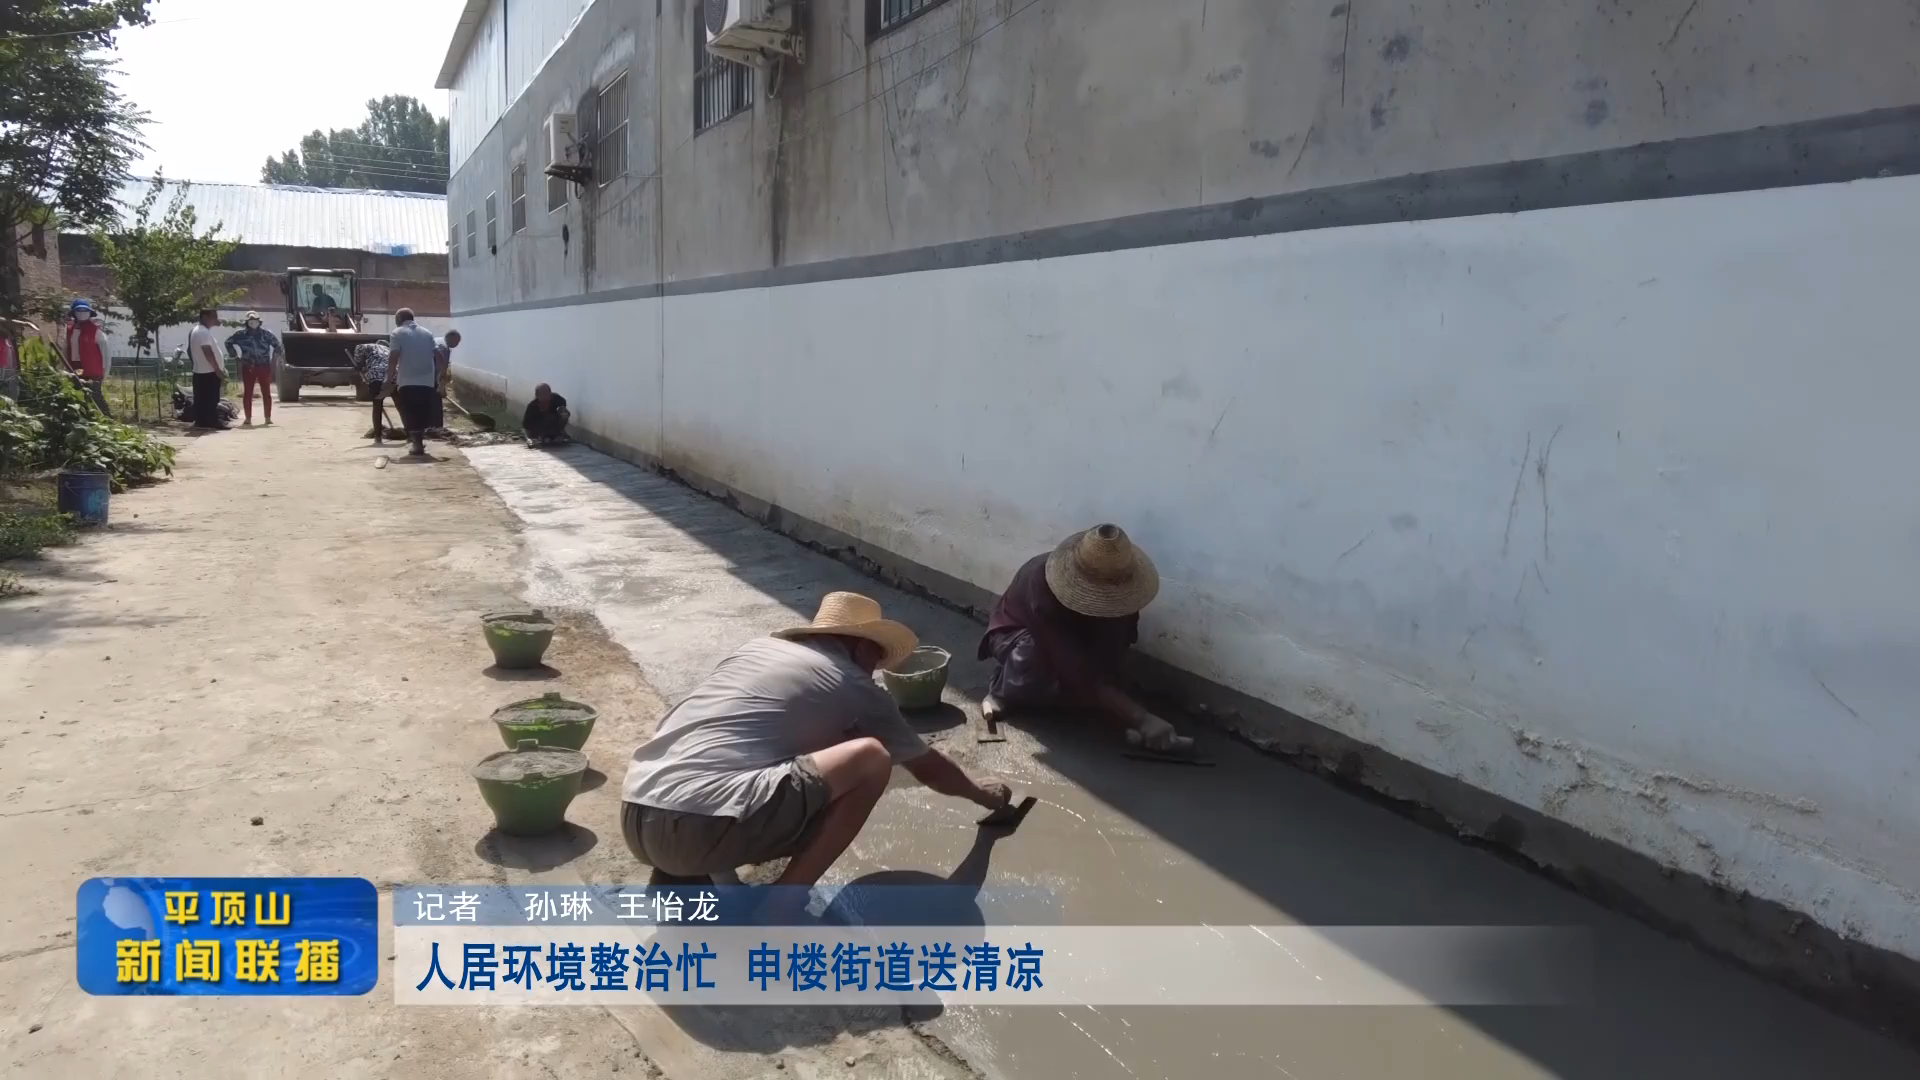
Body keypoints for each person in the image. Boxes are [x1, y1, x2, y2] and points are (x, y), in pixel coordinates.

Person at [622, 592, 1011, 892]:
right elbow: (930, 769)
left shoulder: (756, 651)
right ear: (862, 647)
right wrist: (986, 795)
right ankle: (784, 903)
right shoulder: (854, 683)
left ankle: (713, 882)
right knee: (871, 759)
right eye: (876, 661)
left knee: (753, 757)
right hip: (696, 829)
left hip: (637, 814)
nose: (875, 672)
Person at [978, 524, 1193, 754]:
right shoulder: (1040, 580)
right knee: (1036, 659)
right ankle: (1003, 687)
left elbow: (1119, 646)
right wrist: (1140, 717)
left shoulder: (1126, 586)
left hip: (1073, 640)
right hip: (1018, 635)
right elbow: (1071, 662)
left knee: (1099, 680)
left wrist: (1124, 704)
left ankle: (1066, 694)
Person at [385, 308, 441, 456]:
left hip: (407, 380)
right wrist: (441, 376)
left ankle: (417, 444)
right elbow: (438, 355)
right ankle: (419, 442)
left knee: (409, 412)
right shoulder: (427, 333)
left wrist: (388, 379)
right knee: (422, 411)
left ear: (399, 319)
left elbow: (393, 357)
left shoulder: (397, 333)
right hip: (427, 380)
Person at [224, 311, 281, 426]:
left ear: (259, 322)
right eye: (250, 321)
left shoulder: (266, 334)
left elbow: (278, 346)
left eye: (255, 320)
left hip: (264, 366)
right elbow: (228, 342)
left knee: (266, 392)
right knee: (248, 392)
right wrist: (235, 356)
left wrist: (274, 359)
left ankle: (267, 417)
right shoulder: (240, 334)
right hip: (248, 366)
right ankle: (248, 418)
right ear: (246, 322)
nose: (253, 323)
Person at [63, 299, 111, 415]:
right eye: (79, 310)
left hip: (93, 371)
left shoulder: (96, 331)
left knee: (95, 396)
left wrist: (105, 371)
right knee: (77, 397)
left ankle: (107, 419)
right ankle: (84, 420)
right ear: (74, 313)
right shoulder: (69, 330)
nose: (82, 313)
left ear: (90, 313)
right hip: (75, 370)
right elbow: (65, 349)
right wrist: (64, 368)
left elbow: (106, 352)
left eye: (85, 310)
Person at [186, 308, 229, 430]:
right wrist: (217, 370)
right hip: (208, 371)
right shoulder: (202, 332)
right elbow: (208, 352)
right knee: (211, 399)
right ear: (205, 317)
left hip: (201, 371)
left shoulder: (198, 330)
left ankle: (202, 421)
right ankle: (211, 421)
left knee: (202, 398)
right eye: (213, 317)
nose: (215, 319)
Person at [353, 339, 392, 444]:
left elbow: (359, 347)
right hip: (393, 376)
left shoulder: (371, 347)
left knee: (377, 406)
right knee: (400, 404)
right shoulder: (389, 351)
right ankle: (410, 434)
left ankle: (378, 436)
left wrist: (358, 363)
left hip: (376, 376)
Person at [429, 329, 460, 431]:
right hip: (432, 379)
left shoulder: (437, 340)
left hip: (424, 376)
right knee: (436, 405)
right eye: (457, 341)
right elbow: (442, 367)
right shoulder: (444, 348)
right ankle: (437, 428)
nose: (457, 344)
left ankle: (429, 427)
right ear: (450, 337)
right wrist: (441, 386)